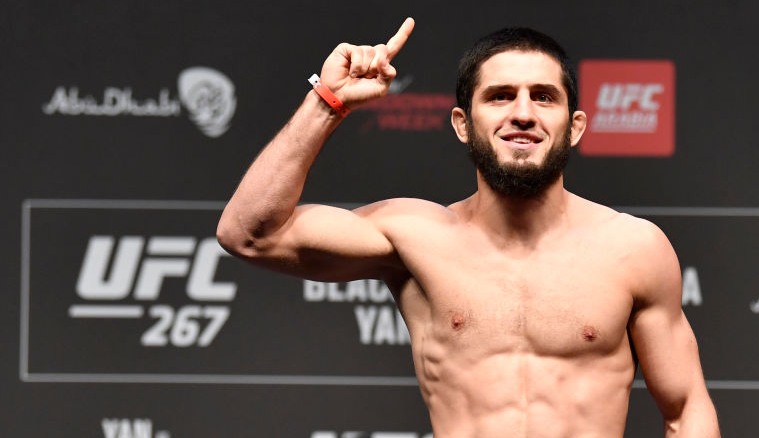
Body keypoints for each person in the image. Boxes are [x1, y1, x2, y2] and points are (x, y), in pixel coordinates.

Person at [217, 17, 719, 437]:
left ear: (575, 126)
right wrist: (329, 101)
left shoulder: (632, 248)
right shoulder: (414, 236)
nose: (523, 114)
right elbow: (249, 233)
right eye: (500, 96)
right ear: (462, 124)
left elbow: (686, 410)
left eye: (543, 97)